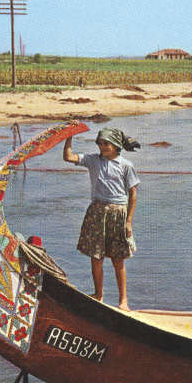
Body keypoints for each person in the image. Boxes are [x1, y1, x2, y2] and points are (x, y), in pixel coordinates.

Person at [63, 127, 140, 311]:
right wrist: (69, 135)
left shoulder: (126, 165)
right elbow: (68, 157)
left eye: (107, 144)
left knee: (118, 260)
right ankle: (98, 294)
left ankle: (123, 301)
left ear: (116, 145)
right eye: (100, 143)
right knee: (96, 257)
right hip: (97, 211)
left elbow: (133, 194)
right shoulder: (93, 160)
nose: (103, 147)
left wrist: (129, 221)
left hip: (118, 213)